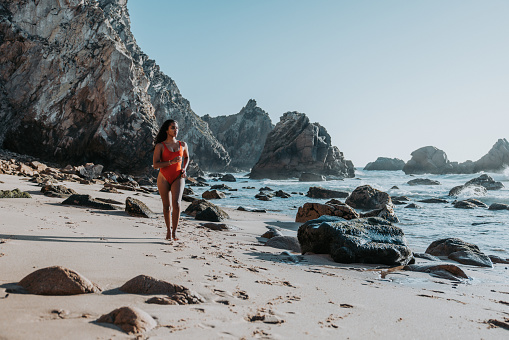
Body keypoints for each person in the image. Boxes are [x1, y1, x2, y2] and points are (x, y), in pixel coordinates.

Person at [153, 119, 189, 241]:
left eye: (177, 128)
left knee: (177, 204)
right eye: (173, 127)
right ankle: (168, 230)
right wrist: (170, 162)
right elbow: (155, 165)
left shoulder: (182, 145)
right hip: (163, 178)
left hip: (178, 177)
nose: (175, 130)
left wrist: (184, 168)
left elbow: (187, 157)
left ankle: (174, 232)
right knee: (167, 206)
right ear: (167, 130)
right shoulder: (160, 146)